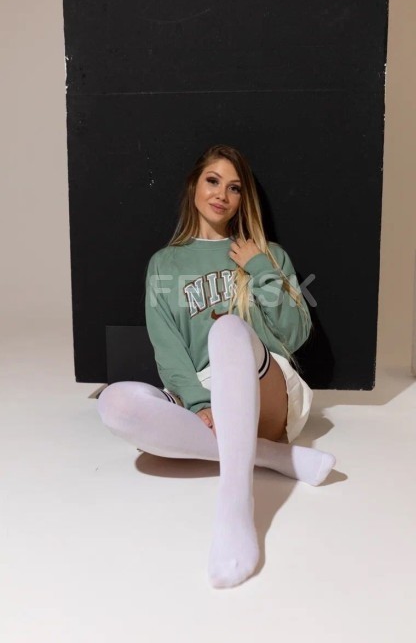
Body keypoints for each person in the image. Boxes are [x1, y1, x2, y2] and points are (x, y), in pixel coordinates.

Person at [97, 144, 336, 589]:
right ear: (194, 185)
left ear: (244, 199)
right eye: (213, 181)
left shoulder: (267, 253)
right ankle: (274, 458)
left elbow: (296, 334)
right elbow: (167, 345)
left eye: (234, 188)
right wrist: (196, 400)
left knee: (226, 330)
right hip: (207, 398)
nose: (222, 195)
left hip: (266, 385)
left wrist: (260, 268)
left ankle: (235, 506)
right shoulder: (164, 264)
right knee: (115, 403)